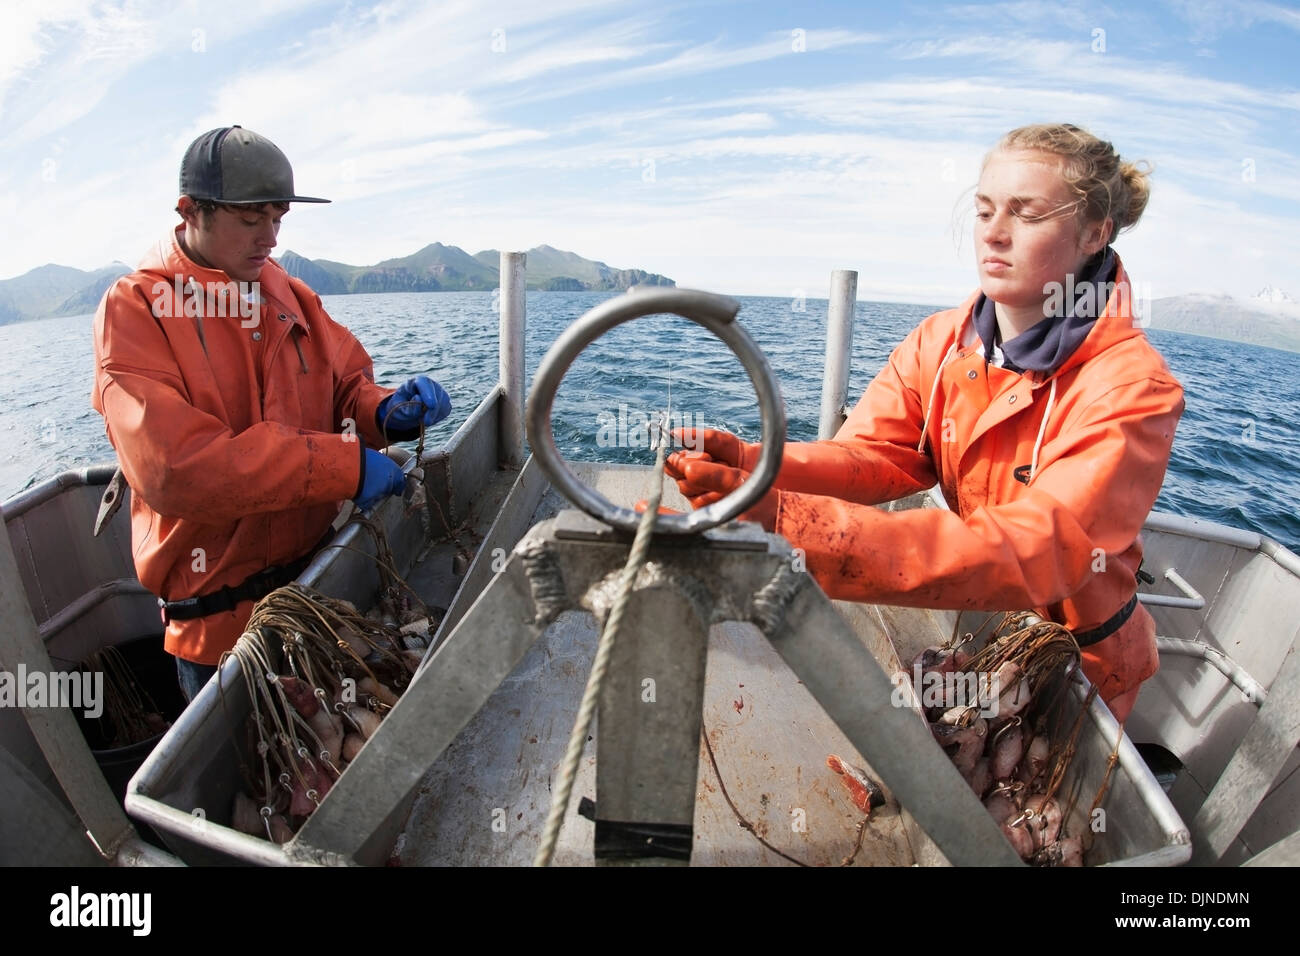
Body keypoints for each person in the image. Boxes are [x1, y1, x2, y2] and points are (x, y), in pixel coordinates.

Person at [668, 123, 1184, 723]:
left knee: (1032, 814)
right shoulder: (940, 343)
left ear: (1096, 232)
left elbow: (1039, 551)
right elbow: (873, 456)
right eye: (985, 209)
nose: (994, 231)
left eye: (1028, 214)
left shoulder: (1132, 388)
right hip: (989, 628)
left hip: (1084, 672)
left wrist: (784, 525)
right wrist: (755, 467)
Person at [91, 126, 452, 702]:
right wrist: (345, 469)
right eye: (251, 219)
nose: (271, 237)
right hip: (217, 638)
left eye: (278, 218)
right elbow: (179, 469)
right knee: (246, 779)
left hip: (313, 594)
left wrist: (388, 411)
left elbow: (346, 386)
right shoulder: (135, 310)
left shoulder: (289, 293)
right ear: (191, 212)